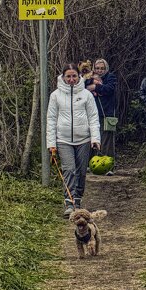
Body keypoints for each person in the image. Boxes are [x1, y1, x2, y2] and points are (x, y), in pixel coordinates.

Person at [47, 63, 100, 217]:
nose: (71, 79)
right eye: (68, 76)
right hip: (63, 140)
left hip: (84, 139)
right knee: (69, 169)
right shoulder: (55, 95)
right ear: (63, 77)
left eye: (74, 76)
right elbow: (51, 119)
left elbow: (93, 117)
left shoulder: (87, 95)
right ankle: (69, 203)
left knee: (81, 171)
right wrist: (51, 143)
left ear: (79, 76)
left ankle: (77, 199)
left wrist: (95, 138)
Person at [85, 58, 119, 157]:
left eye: (102, 68)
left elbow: (109, 89)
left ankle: (108, 162)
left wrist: (95, 87)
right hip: (92, 114)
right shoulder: (88, 78)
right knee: (93, 139)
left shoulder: (110, 77)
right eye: (97, 68)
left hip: (106, 114)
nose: (99, 70)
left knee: (107, 141)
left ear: (106, 68)